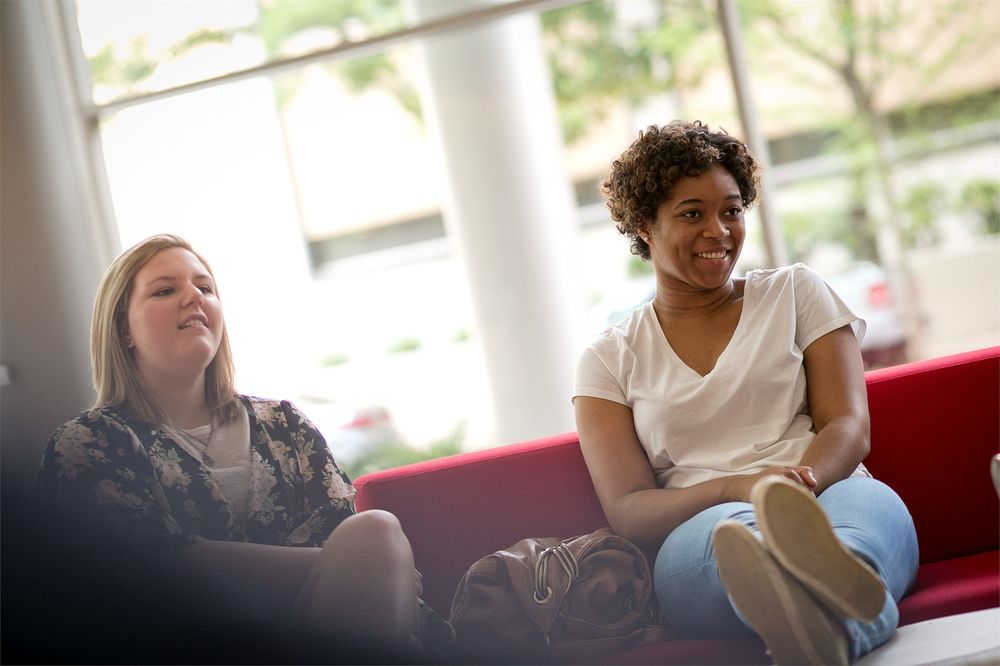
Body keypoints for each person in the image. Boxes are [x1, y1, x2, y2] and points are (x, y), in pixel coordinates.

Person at [573, 121, 918, 665]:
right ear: (645, 225)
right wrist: (737, 489)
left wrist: (800, 483)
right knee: (740, 543)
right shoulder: (608, 359)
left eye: (731, 210)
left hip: (833, 490)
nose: (720, 230)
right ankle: (820, 597)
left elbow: (847, 426)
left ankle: (822, 609)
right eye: (692, 214)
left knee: (857, 533)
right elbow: (630, 508)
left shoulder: (796, 292)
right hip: (707, 528)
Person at [38, 233, 451, 663]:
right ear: (123, 329)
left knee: (375, 529)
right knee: (375, 539)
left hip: (330, 634)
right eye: (165, 289)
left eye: (205, 288)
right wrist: (369, 566)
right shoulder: (89, 442)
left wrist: (363, 561)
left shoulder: (284, 425)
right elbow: (144, 571)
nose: (192, 298)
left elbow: (343, 534)